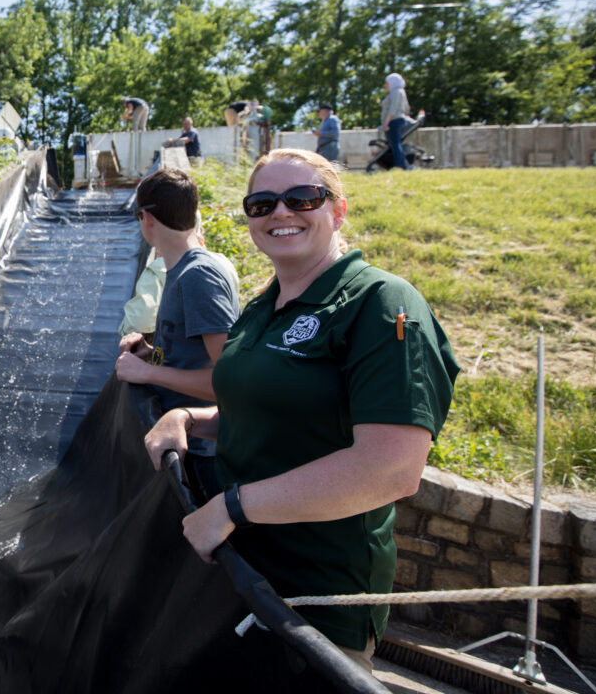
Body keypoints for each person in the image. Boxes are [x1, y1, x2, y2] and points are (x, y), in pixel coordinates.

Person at [144, 148, 458, 668]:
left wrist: (231, 508)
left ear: (338, 211)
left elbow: (391, 469)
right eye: (262, 204)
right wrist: (188, 419)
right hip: (239, 573)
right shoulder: (263, 307)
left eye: (303, 198)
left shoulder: (381, 303)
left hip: (318, 600)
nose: (281, 212)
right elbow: (261, 415)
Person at [114, 169, 240, 413]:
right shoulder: (182, 271)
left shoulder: (198, 276)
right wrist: (151, 353)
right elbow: (193, 359)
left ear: (146, 218)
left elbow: (231, 381)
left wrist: (148, 373)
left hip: (193, 433)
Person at [381, 73, 412, 170]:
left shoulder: (396, 92)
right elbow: (407, 108)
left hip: (394, 121)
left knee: (395, 144)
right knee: (394, 144)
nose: (385, 85)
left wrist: (386, 123)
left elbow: (393, 109)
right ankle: (400, 165)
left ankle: (399, 166)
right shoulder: (400, 92)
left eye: (386, 83)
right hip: (397, 120)